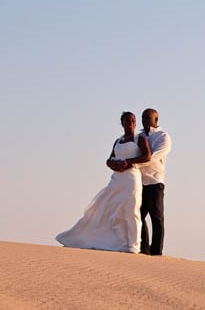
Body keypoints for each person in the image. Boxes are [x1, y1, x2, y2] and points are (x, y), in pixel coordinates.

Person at [56, 112, 152, 253]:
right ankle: (112, 241)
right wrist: (113, 164)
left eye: (132, 120)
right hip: (117, 179)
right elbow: (109, 159)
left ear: (135, 122)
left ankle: (133, 244)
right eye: (126, 120)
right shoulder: (118, 141)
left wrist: (128, 162)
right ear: (122, 123)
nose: (130, 122)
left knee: (131, 209)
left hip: (131, 179)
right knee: (108, 207)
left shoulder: (140, 139)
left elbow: (147, 156)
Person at [138, 108, 172, 255]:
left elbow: (152, 157)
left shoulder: (163, 137)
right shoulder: (138, 136)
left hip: (155, 182)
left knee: (157, 218)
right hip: (139, 183)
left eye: (148, 117)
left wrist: (133, 163)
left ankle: (157, 251)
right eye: (143, 117)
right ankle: (144, 249)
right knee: (137, 216)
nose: (145, 120)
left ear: (155, 120)